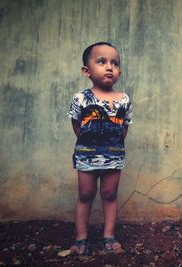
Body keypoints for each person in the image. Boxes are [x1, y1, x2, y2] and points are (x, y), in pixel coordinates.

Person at [67, 42, 132, 255]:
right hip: (86, 155)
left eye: (114, 63)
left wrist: (112, 146)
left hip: (114, 155)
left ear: (119, 72)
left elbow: (124, 127)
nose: (109, 67)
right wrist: (91, 145)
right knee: (85, 194)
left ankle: (108, 235)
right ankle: (81, 238)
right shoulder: (80, 98)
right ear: (87, 71)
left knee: (109, 193)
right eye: (101, 62)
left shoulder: (123, 99)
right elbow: (77, 125)